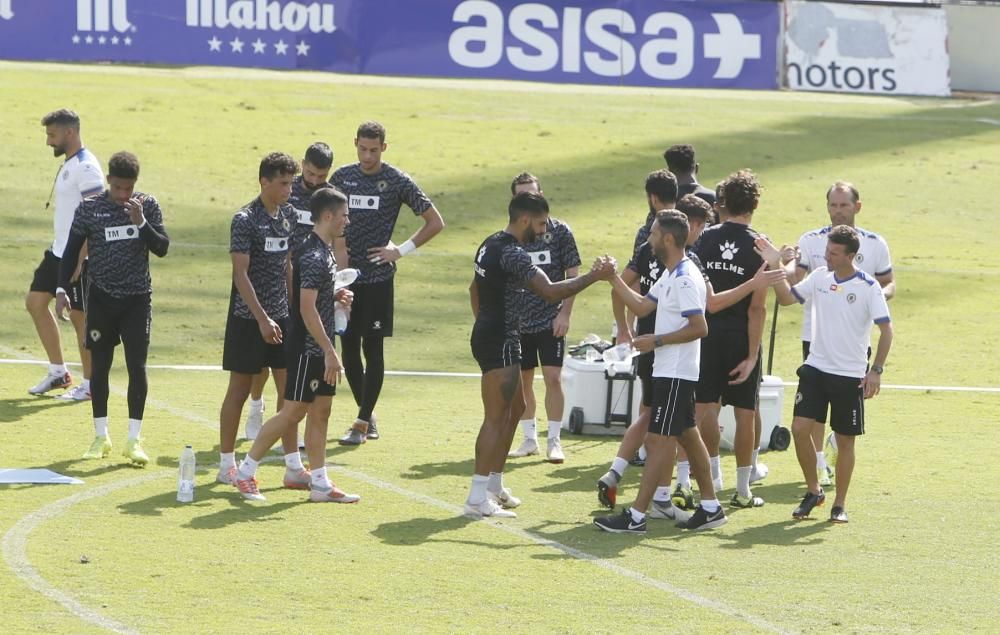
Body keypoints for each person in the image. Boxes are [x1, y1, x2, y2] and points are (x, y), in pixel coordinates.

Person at [465, 191, 611, 518]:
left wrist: (486, 322)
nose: (544, 230)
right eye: (542, 223)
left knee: (516, 407)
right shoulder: (513, 254)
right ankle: (476, 497)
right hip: (500, 338)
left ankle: (494, 486)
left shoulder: (490, 242)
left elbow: (473, 289)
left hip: (499, 333)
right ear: (526, 219)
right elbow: (549, 291)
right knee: (495, 417)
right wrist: (593, 277)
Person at [594, 210, 726, 533]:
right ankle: (710, 508)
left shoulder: (683, 278)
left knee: (658, 441)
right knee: (687, 434)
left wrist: (657, 340)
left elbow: (700, 327)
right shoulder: (671, 273)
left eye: (653, 234)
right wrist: (612, 278)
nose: (649, 239)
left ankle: (637, 516)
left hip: (676, 372)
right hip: (670, 370)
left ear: (667, 238)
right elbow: (641, 306)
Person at [758, 226, 893, 523]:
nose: (827, 257)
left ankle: (840, 504)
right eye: (827, 251)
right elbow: (786, 299)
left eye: (833, 253)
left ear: (851, 256)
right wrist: (776, 265)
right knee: (799, 429)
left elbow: (886, 330)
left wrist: (876, 371)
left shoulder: (868, 286)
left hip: (849, 375)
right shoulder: (819, 277)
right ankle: (814, 490)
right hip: (816, 369)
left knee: (846, 441)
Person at [234, 187, 360, 503]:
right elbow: (305, 308)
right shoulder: (316, 254)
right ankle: (245, 472)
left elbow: (312, 298)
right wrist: (330, 353)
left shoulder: (322, 250)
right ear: (328, 216)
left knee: (322, 412)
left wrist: (334, 296)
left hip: (320, 347)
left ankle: (319, 483)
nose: (348, 220)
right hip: (308, 349)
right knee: (292, 413)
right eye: (344, 214)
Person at [329, 121, 445, 445]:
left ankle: (362, 422)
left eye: (374, 150)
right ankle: (367, 415)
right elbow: (324, 218)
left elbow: (435, 221)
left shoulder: (396, 181)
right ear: (355, 144)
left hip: (378, 278)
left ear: (384, 147)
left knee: (373, 347)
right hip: (345, 276)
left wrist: (400, 250)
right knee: (349, 348)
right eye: (362, 149)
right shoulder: (341, 178)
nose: (367, 156)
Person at [57, 151, 169, 464]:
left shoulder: (146, 205)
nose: (123, 195)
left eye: (128, 189)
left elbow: (162, 247)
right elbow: (69, 252)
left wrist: (142, 223)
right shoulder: (90, 209)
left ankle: (133, 440)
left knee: (137, 366)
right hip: (102, 300)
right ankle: (100, 436)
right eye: (118, 188)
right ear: (108, 181)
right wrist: (61, 288)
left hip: (137, 300)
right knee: (101, 367)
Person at [792, 182, 895, 487]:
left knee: (842, 413)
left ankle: (834, 452)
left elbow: (888, 282)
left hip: (852, 337)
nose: (838, 211)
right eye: (833, 206)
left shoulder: (875, 244)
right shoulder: (811, 240)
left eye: (843, 206)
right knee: (812, 412)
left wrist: (873, 298)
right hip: (815, 335)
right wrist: (779, 264)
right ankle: (822, 466)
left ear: (857, 207)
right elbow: (796, 281)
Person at [218, 153, 305, 487]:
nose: (289, 190)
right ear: (264, 181)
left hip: (282, 317)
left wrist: (292, 310)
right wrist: (262, 319)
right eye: (283, 183)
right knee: (239, 390)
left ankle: (293, 466)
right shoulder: (245, 219)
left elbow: (287, 265)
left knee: (289, 395)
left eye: (291, 183)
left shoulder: (289, 217)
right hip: (247, 319)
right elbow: (241, 274)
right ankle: (227, 463)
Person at [244, 142, 335, 442]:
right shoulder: (285, 188)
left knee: (288, 360)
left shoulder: (328, 198)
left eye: (320, 176)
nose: (313, 180)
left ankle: (290, 427)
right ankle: (257, 405)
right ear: (302, 164)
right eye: (309, 172)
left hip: (304, 280)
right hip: (276, 278)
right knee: (261, 364)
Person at [693, 170, 768, 509]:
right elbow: (757, 309)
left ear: (722, 203)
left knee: (705, 408)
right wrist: (752, 356)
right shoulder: (760, 245)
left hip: (706, 335)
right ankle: (743, 489)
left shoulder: (704, 239)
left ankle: (712, 474)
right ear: (754, 205)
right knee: (745, 412)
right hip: (741, 337)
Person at [27, 109, 103, 400]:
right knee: (35, 302)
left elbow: (97, 216)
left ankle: (91, 385)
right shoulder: (71, 163)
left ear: (69, 133)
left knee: (80, 317)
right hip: (58, 251)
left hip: (77, 256)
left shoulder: (86, 167)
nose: (49, 142)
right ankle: (59, 372)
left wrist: (83, 258)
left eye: (52, 135)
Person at [505, 173, 581, 463]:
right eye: (521, 195)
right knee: (523, 381)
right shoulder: (511, 236)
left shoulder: (559, 232)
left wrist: (565, 313)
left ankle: (554, 440)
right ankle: (528, 438)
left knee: (552, 378)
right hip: (519, 322)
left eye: (532, 193)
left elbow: (573, 274)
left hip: (550, 320)